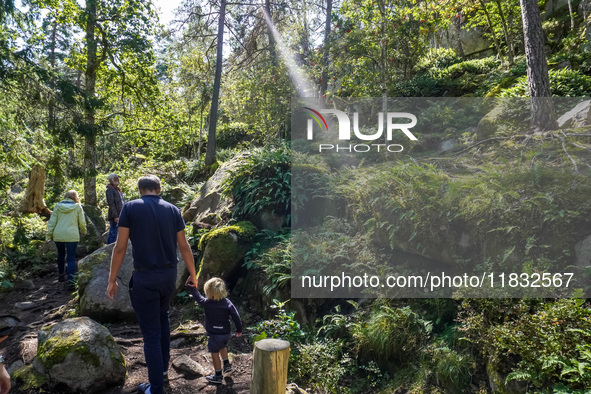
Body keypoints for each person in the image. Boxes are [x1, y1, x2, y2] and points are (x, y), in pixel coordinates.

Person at [106, 175, 198, 394]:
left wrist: (111, 280)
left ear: (140, 190)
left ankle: (155, 387)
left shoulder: (130, 208)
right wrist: (193, 274)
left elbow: (119, 247)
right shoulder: (173, 209)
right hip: (169, 276)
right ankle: (162, 372)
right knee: (163, 318)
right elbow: (184, 246)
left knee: (151, 334)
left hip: (145, 277)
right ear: (159, 188)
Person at [185, 277, 242, 385]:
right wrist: (239, 329)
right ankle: (226, 364)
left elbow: (197, 297)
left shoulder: (207, 303)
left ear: (208, 292)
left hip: (215, 335)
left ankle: (218, 376)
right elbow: (236, 316)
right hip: (226, 333)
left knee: (214, 353)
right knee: (222, 346)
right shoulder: (227, 302)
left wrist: (191, 287)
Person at [47, 190, 87, 288]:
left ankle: (61, 275)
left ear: (65, 196)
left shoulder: (57, 206)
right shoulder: (77, 207)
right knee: (71, 257)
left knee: (60, 254)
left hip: (59, 234)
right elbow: (82, 222)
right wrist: (83, 232)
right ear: (75, 197)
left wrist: (49, 235)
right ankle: (71, 280)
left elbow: (52, 222)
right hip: (72, 235)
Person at [106, 173, 125, 244]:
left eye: (117, 178)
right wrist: (115, 216)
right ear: (111, 180)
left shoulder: (117, 189)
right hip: (115, 215)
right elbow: (111, 204)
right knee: (113, 233)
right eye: (115, 179)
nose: (117, 180)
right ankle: (109, 249)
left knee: (118, 232)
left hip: (121, 214)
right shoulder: (110, 190)